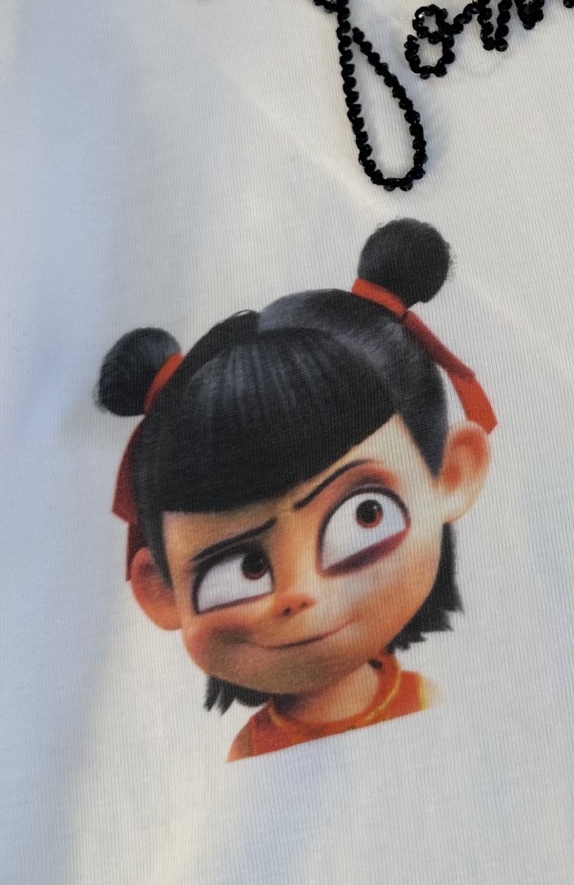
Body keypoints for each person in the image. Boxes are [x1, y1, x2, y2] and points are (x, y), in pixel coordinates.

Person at [96, 219, 496, 761]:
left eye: (364, 516)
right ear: (160, 592)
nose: (299, 593)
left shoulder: (455, 710)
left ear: (452, 475)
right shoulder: (246, 761)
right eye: (241, 569)